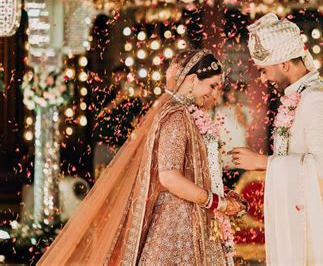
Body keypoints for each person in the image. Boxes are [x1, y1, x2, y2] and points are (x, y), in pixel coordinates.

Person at [39, 49, 245, 265]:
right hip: (177, 224)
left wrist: (221, 195)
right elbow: (169, 177)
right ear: (193, 80)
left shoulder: (189, 113)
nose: (214, 94)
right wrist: (218, 202)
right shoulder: (176, 116)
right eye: (212, 86)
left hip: (192, 216)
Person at [231, 13, 323, 265]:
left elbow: (321, 166)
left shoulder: (317, 98)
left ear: (284, 64)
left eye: (264, 70)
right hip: (304, 213)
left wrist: (263, 162)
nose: (263, 78)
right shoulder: (301, 95)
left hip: (320, 220)